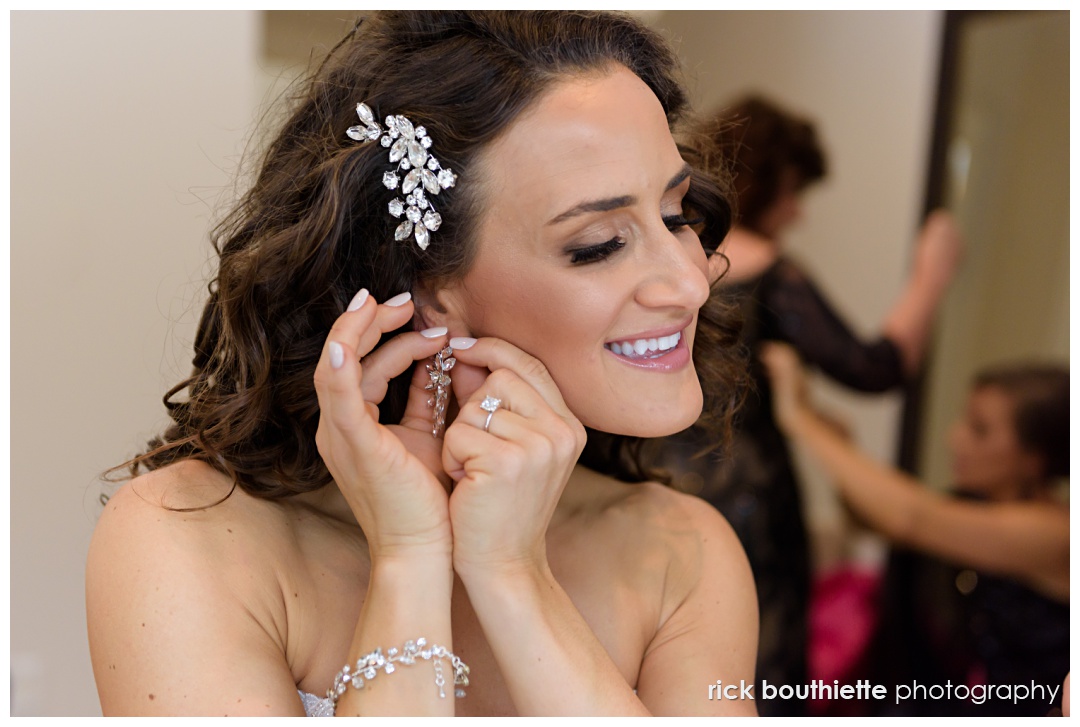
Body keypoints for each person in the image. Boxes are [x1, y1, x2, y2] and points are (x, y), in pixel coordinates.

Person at [84, 11, 758, 717]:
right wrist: (408, 557)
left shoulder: (683, 553)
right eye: (598, 243)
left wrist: (515, 574)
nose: (690, 281)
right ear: (430, 293)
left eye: (676, 215)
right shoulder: (190, 538)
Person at [643, 95, 963, 715]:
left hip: (652, 486)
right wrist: (931, 277)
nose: (795, 213)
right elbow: (875, 367)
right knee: (760, 670)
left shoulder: (664, 258)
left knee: (668, 666)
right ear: (761, 180)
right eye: (793, 192)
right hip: (749, 501)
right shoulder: (765, 268)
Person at [762, 342, 1069, 716]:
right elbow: (874, 521)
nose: (955, 438)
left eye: (980, 430)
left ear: (1033, 460)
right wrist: (840, 448)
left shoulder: (1054, 533)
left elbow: (912, 519)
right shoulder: (978, 504)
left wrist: (801, 421)